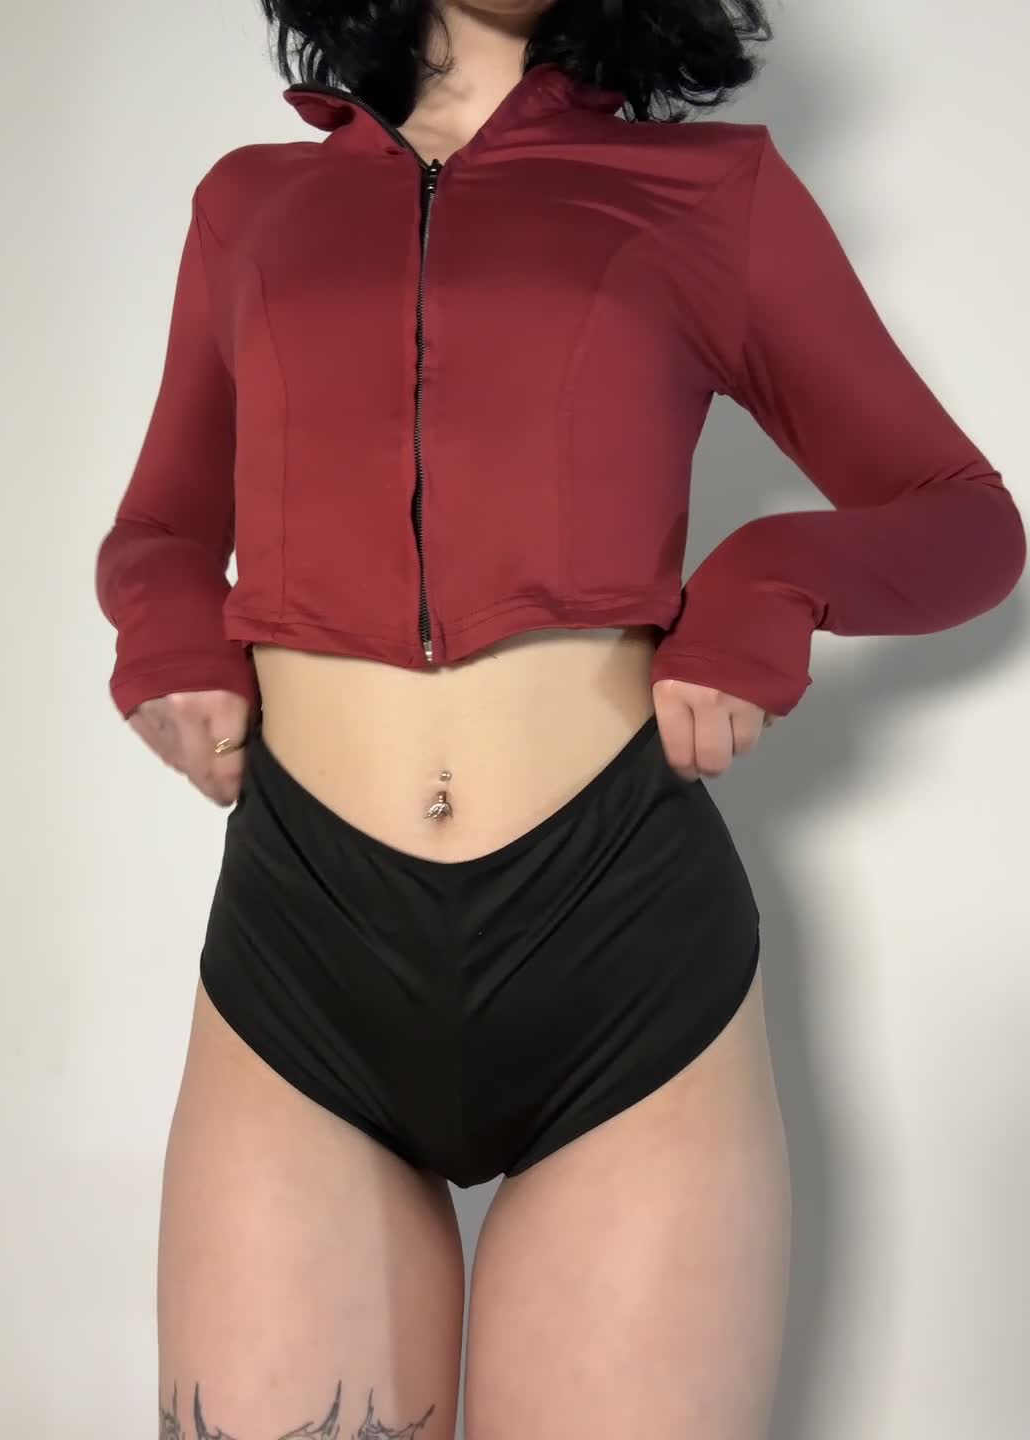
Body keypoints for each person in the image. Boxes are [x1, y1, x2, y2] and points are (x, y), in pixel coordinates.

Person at [95, 2, 1025, 1436]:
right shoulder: (251, 207)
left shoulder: (712, 193)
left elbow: (964, 519)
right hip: (305, 948)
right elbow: (161, 525)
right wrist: (165, 633)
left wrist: (766, 585)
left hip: (623, 951)